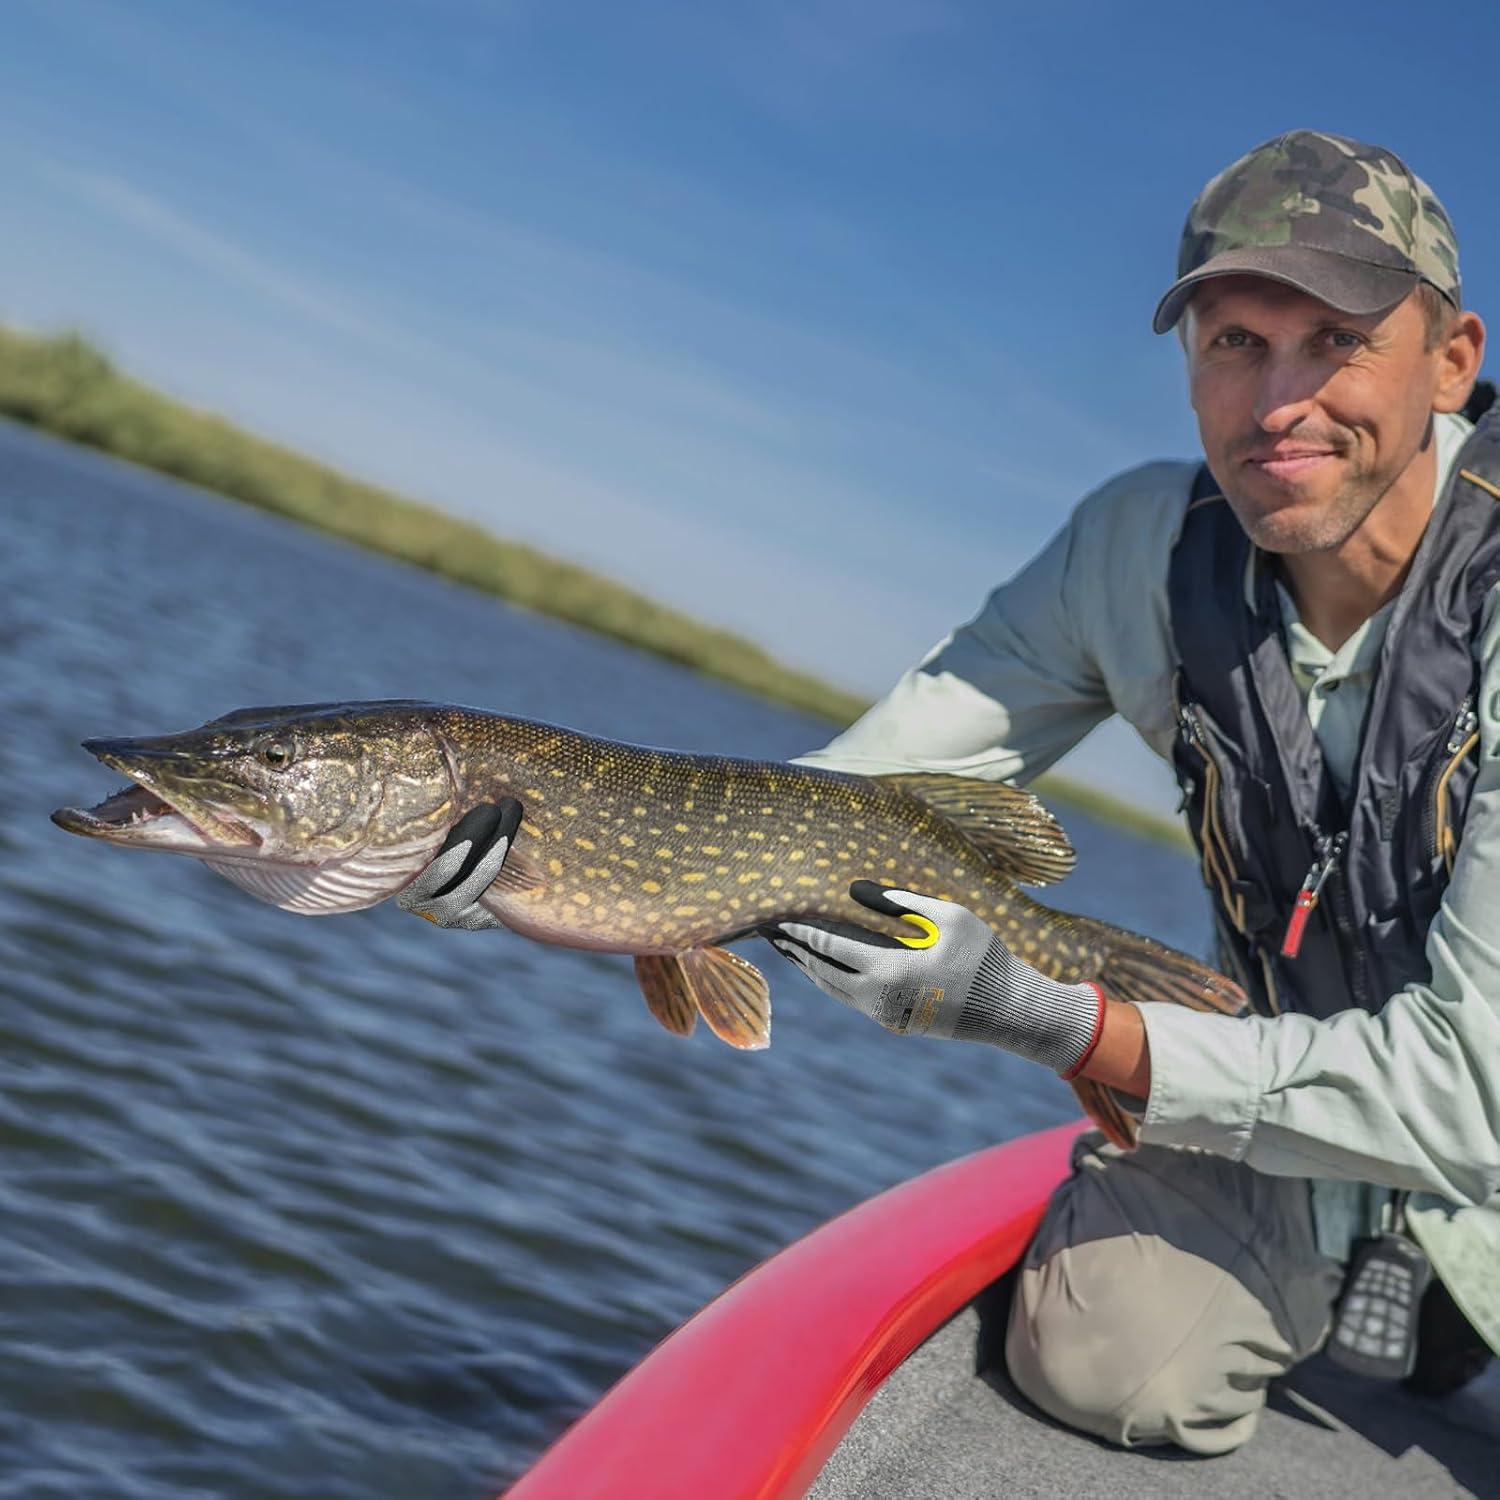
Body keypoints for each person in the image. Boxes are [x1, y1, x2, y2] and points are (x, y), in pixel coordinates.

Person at [400, 131, 1500, 1455]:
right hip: (1273, 1097)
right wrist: (525, 850)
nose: (1279, 399)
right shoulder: (1137, 548)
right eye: (1231, 343)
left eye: (1334, 340)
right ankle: (1376, 1258)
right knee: (1105, 1360)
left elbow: (1472, 1087)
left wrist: (1057, 1022)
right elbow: (846, 795)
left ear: (1452, 361)